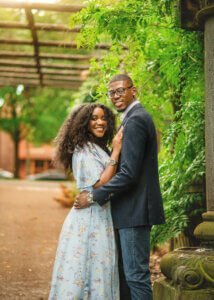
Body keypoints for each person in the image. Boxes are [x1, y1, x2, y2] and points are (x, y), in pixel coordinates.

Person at [75, 74, 165, 300]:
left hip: (135, 211)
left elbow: (129, 174)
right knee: (126, 276)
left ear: (133, 90)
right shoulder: (132, 118)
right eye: (111, 92)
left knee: (135, 277)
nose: (115, 96)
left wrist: (94, 196)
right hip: (128, 211)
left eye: (120, 90)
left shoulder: (135, 119)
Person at [49, 103, 123, 300]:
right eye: (94, 118)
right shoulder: (84, 149)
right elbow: (99, 183)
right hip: (89, 219)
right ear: (84, 123)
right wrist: (116, 152)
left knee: (97, 269)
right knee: (87, 270)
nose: (100, 122)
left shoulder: (97, 147)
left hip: (98, 214)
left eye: (103, 118)